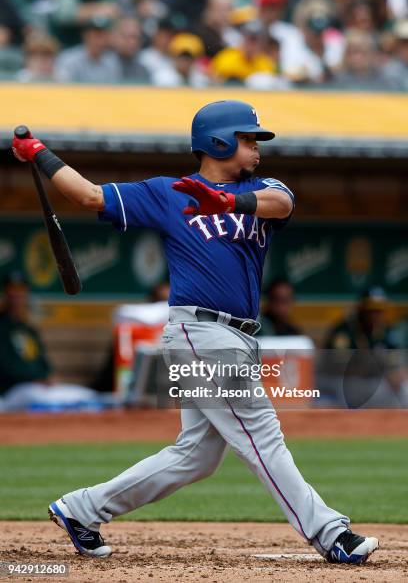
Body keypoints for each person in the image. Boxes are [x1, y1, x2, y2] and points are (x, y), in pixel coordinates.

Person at [13, 100, 378, 564]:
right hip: (200, 333)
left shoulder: (261, 188)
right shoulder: (170, 193)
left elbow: (283, 203)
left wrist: (229, 201)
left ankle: (80, 508)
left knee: (197, 457)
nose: (256, 147)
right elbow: (89, 195)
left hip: (241, 337)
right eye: (248, 139)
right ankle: (332, 534)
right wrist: (39, 152)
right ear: (219, 141)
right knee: (262, 434)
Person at [0, 271, 51, 397]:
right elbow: (5, 367)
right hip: (10, 391)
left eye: (21, 289)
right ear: (5, 293)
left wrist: (46, 377)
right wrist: (35, 379)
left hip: (34, 387)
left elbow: (43, 363)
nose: (17, 294)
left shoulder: (29, 329)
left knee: (80, 396)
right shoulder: (2, 327)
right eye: (12, 289)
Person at [55, 16, 120, 83]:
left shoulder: (112, 60)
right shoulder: (68, 59)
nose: (101, 41)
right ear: (86, 36)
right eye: (96, 35)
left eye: (104, 35)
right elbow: (63, 88)